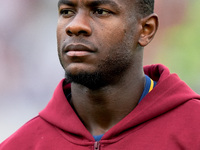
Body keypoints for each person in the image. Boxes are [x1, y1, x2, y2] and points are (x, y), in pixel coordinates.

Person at [1, 0, 200, 149]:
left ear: (146, 30)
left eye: (100, 11)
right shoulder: (21, 145)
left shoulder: (193, 129)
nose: (75, 25)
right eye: (67, 12)